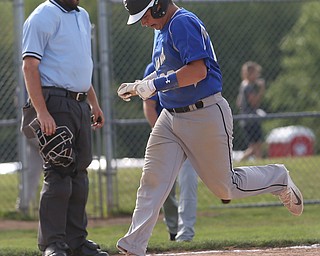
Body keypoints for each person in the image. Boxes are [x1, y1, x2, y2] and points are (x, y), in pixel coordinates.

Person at [116, 0, 303, 255]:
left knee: (225, 187)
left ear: (158, 5)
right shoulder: (161, 30)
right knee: (152, 180)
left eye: (145, 15)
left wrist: (155, 86)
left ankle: (278, 178)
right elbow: (167, 70)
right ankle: (133, 246)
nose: (144, 22)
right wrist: (141, 84)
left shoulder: (181, 22)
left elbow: (198, 71)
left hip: (203, 113)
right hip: (170, 118)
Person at [21, 0, 108, 255]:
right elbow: (29, 66)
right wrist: (41, 111)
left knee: (80, 173)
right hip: (54, 101)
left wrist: (94, 103)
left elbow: (79, 66)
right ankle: (52, 243)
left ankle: (76, 242)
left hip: (79, 102)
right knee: (58, 172)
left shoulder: (82, 15)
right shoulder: (43, 15)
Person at [143, 62, 198, 242]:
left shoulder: (192, 66)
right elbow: (149, 106)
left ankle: (186, 234)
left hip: (191, 133)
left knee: (189, 183)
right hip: (168, 136)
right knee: (165, 188)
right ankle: (174, 231)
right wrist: (161, 133)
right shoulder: (154, 69)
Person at [236, 61, 266, 162]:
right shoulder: (248, 86)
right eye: (256, 73)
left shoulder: (243, 85)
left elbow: (239, 103)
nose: (257, 76)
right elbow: (254, 103)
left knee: (254, 146)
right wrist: (261, 90)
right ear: (250, 73)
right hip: (251, 119)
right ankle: (242, 161)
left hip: (245, 118)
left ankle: (257, 162)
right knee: (256, 145)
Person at [16, 137, 43, 215]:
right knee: (31, 178)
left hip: (59, 146)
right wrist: (43, 145)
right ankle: (22, 206)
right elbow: (27, 129)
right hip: (37, 146)